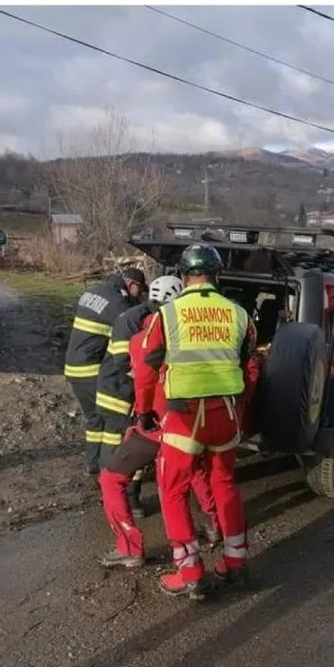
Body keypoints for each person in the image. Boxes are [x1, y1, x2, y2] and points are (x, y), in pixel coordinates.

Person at [133, 244, 260, 600]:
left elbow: (146, 370)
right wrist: (240, 405)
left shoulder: (168, 315)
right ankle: (236, 562)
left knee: (172, 489)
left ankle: (189, 571)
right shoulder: (239, 315)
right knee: (225, 483)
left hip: (184, 417)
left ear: (184, 275)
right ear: (216, 275)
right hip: (226, 416)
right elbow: (251, 368)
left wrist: (144, 410)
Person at [98, 275, 224, 569]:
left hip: (156, 426)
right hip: (189, 421)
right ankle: (215, 526)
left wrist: (143, 415)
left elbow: (141, 377)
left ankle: (131, 548)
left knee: (111, 479)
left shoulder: (144, 335)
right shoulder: (198, 334)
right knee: (194, 472)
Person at [95, 275, 184, 516]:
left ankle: (121, 497)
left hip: (126, 391)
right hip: (119, 392)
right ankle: (123, 499)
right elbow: (126, 363)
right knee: (122, 445)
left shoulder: (144, 314)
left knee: (125, 443)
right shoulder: (137, 319)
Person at [64, 267, 147, 475]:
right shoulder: (118, 303)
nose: (140, 295)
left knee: (95, 418)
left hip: (73, 366)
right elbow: (132, 329)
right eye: (140, 290)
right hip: (90, 368)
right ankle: (108, 466)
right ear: (131, 285)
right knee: (110, 418)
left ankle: (93, 464)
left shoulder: (95, 290)